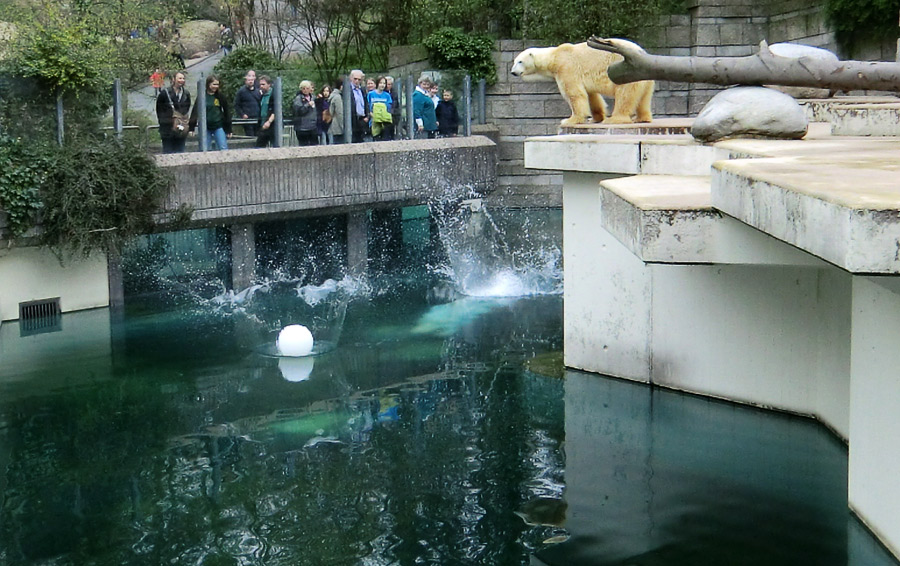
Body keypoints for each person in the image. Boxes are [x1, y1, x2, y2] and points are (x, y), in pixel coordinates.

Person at [189, 74, 232, 150]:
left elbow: (227, 111)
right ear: (208, 84)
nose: (216, 86)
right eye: (214, 84)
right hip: (205, 127)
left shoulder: (220, 96)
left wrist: (228, 129)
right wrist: (191, 128)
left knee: (223, 147)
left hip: (218, 126)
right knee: (204, 149)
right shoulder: (202, 96)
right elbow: (195, 112)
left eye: (217, 84)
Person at [156, 70, 191, 154]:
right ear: (173, 79)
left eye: (183, 78)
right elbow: (159, 110)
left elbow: (187, 108)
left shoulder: (186, 94)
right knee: (168, 152)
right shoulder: (165, 93)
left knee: (180, 152)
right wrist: (169, 121)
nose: (181, 80)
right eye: (179, 78)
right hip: (167, 129)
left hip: (181, 129)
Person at [233, 69, 261, 136]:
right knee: (250, 136)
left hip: (258, 118)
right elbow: (236, 105)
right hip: (247, 119)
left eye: (252, 79)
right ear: (245, 80)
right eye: (249, 79)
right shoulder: (241, 91)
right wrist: (242, 114)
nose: (250, 81)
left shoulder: (258, 91)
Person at [292, 80, 318, 146]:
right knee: (304, 146)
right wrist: (307, 105)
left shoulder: (313, 98)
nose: (305, 90)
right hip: (302, 128)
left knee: (315, 146)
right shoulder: (298, 99)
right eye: (303, 88)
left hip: (313, 127)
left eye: (307, 88)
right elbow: (299, 112)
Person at [367, 76, 393, 142]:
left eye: (384, 83)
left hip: (384, 122)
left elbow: (389, 107)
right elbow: (367, 105)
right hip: (373, 121)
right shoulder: (371, 94)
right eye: (381, 83)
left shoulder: (387, 95)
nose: (382, 85)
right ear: (377, 84)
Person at [255, 76, 276, 148]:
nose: (261, 86)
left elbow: (276, 110)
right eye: (260, 84)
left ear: (269, 84)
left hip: (272, 125)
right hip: (263, 125)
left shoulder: (274, 95)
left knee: (275, 146)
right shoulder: (262, 96)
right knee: (259, 147)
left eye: (263, 84)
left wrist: (269, 122)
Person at [349, 69, 368, 143]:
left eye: (359, 79)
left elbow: (366, 103)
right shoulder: (348, 90)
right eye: (355, 79)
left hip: (362, 119)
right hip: (353, 120)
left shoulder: (362, 90)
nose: (357, 81)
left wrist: (367, 116)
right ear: (351, 78)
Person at [328, 79, 345, 144]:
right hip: (338, 127)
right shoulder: (337, 97)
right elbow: (340, 113)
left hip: (334, 126)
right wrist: (344, 127)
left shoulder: (333, 95)